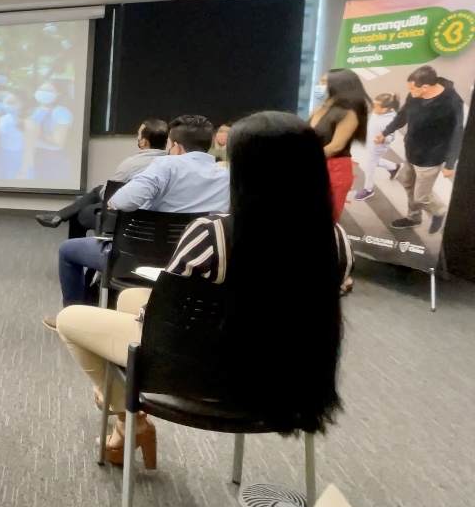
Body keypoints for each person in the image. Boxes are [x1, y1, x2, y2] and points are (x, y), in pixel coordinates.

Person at [54, 111, 348, 467]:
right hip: (289, 379)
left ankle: (123, 409)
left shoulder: (214, 235)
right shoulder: (335, 240)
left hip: (206, 375)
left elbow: (167, 314)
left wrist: (142, 316)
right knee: (131, 296)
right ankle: (124, 425)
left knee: (71, 319)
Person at [45, 115, 229, 326]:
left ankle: (71, 319)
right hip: (192, 261)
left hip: (138, 257)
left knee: (68, 250)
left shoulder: (165, 166)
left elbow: (120, 201)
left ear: (176, 147)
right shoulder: (225, 176)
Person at [36, 119, 169, 236]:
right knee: (97, 190)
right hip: (160, 222)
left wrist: (102, 191)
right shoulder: (173, 164)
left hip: (126, 218)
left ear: (143, 142)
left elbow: (110, 195)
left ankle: (64, 225)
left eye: (138, 134)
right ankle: (59, 215)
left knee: (80, 212)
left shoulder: (132, 164)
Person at [376, 65, 465, 233]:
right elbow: (403, 116)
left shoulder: (451, 102)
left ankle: (439, 211)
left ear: (425, 87)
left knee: (421, 197)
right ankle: (413, 218)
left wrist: (450, 164)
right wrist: (385, 132)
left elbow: (457, 132)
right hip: (412, 151)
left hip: (431, 157)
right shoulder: (415, 95)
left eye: (412, 87)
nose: (409, 91)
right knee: (408, 184)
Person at [309, 70, 369, 220]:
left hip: (334, 170)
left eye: (324, 82)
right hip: (313, 167)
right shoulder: (318, 110)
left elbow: (336, 146)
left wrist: (305, 159)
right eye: (320, 81)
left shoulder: (348, 113)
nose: (319, 85)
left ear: (338, 86)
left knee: (325, 220)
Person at [355, 93, 402, 201]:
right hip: (370, 144)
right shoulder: (378, 112)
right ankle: (394, 167)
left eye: (376, 106)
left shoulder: (390, 120)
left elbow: (391, 136)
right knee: (374, 162)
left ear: (384, 109)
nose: (373, 107)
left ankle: (368, 190)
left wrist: (383, 139)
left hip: (378, 147)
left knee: (369, 167)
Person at [31, 82, 73, 181]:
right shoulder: (37, 110)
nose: (43, 93)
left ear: (58, 94)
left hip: (51, 157)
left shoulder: (61, 112)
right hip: (36, 154)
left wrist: (36, 133)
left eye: (48, 91)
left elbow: (58, 142)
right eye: (40, 89)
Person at [0, 92, 26, 178]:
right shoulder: (3, 119)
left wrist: (23, 170)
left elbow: (30, 149)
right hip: (2, 156)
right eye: (6, 103)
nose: (8, 105)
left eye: (12, 103)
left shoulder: (27, 122)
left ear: (22, 104)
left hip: (19, 158)